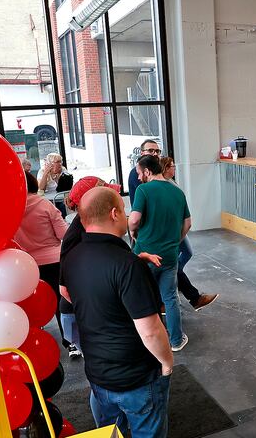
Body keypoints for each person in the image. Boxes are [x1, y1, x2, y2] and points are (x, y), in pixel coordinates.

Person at [61, 187, 172, 436]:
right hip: (137, 377)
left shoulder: (72, 257)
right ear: (114, 214)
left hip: (98, 374)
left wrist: (132, 264)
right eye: (123, 209)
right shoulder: (127, 265)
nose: (126, 214)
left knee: (111, 432)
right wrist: (166, 362)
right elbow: (151, 331)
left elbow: (86, 292)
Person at [129, 155, 192, 352]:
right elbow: (188, 223)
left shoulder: (143, 190)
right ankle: (175, 340)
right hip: (169, 255)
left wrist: (132, 232)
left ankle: (149, 341)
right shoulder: (178, 192)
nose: (138, 178)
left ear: (147, 171)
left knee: (143, 298)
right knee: (170, 297)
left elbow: (134, 220)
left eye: (139, 173)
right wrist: (175, 242)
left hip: (144, 254)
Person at [58, 177, 120, 358]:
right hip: (77, 315)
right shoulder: (78, 234)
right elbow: (64, 288)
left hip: (82, 313)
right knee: (99, 362)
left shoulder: (91, 227)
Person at [14, 171, 68, 345]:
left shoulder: (9, 209)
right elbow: (63, 233)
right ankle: (70, 341)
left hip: (24, 266)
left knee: (33, 305)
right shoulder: (45, 205)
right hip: (54, 261)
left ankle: (35, 343)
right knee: (62, 302)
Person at [159, 157, 219, 311]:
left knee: (185, 254)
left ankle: (178, 282)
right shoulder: (162, 187)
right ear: (165, 168)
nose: (174, 168)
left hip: (176, 229)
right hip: (173, 231)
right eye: (172, 166)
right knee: (173, 266)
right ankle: (192, 295)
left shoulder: (170, 185)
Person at [37, 152, 72, 218]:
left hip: (61, 197)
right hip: (48, 199)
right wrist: (45, 174)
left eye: (61, 161)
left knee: (63, 207)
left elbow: (67, 186)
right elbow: (41, 188)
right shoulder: (42, 171)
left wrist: (59, 176)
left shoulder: (63, 169)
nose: (60, 164)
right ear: (51, 164)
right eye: (58, 162)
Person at [128, 139, 161, 205]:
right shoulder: (136, 172)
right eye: (151, 150)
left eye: (157, 151)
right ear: (142, 153)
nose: (155, 154)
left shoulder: (159, 171)